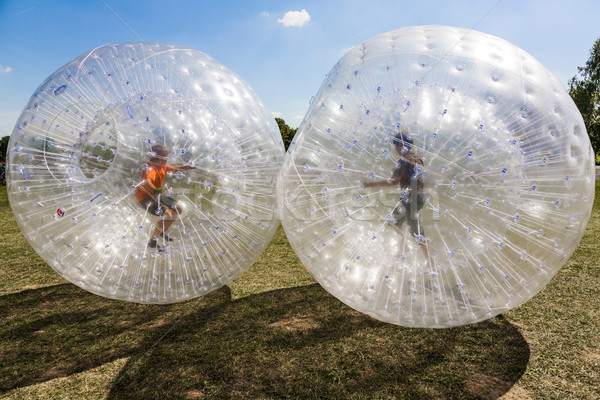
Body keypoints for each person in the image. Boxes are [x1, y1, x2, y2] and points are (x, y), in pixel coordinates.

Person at [363, 130, 430, 263]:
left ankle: (430, 263)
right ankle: (403, 248)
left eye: (396, 145)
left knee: (416, 232)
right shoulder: (418, 158)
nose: (395, 148)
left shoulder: (404, 160)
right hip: (418, 197)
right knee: (395, 221)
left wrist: (371, 184)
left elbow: (394, 181)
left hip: (411, 200)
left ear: (400, 145)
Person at [134, 144, 191, 249]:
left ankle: (160, 231)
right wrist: (155, 189)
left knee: (178, 208)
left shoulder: (162, 166)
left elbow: (175, 169)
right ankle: (152, 241)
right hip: (144, 198)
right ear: (156, 158)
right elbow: (147, 181)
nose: (166, 159)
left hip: (155, 195)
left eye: (166, 157)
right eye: (164, 157)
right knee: (169, 215)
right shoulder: (151, 168)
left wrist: (189, 166)